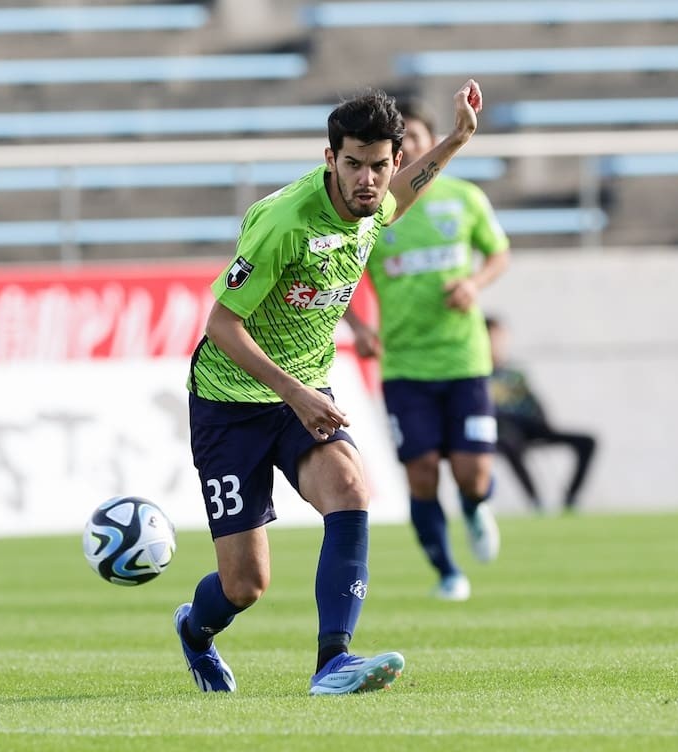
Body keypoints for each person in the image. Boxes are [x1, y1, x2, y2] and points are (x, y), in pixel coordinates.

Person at [176, 80, 483, 696]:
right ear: (329, 159)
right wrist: (295, 392)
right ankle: (194, 630)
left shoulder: (375, 208)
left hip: (303, 395)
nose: (367, 181)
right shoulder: (283, 223)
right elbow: (221, 325)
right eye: (352, 165)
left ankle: (332, 663)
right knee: (244, 586)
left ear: (394, 160)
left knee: (350, 489)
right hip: (230, 402)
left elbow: (404, 192)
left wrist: (455, 140)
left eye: (378, 166)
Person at [345, 99, 511, 603]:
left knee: (471, 473)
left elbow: (499, 253)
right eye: (404, 143)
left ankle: (478, 505)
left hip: (463, 358)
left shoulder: (464, 198)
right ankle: (447, 571)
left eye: (418, 138)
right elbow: (342, 275)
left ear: (432, 142)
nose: (412, 148)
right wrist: (359, 327)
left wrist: (475, 283)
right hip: (405, 363)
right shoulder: (376, 214)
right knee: (421, 474)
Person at [486, 316, 597, 512]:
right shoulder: (477, 376)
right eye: (494, 339)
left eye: (501, 339)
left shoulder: (515, 373)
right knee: (510, 440)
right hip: (502, 432)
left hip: (530, 427)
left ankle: (571, 498)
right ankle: (536, 501)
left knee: (587, 441)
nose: (499, 345)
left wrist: (543, 422)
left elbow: (533, 403)